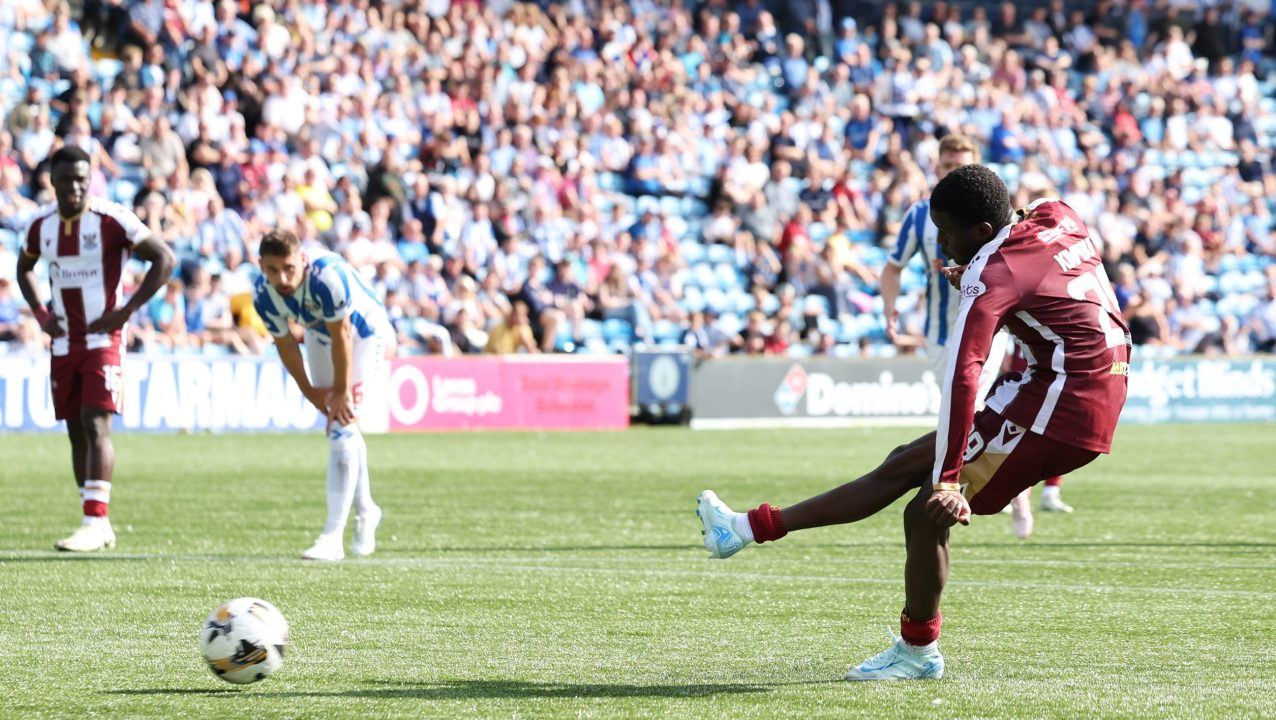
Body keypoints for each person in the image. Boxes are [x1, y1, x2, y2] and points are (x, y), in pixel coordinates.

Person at [696, 165, 1131, 680]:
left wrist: (949, 480)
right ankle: (746, 528)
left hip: (1062, 401)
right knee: (904, 461)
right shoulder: (1057, 214)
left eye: (947, 233)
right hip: (1083, 381)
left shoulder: (994, 272)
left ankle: (917, 651)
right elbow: (1051, 280)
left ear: (983, 233)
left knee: (926, 510)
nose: (942, 245)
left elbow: (963, 376)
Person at [879, 134, 1062, 537]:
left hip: (989, 331)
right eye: (947, 166)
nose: (953, 172)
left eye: (962, 166)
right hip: (940, 336)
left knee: (972, 409)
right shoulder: (917, 216)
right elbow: (893, 267)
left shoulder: (992, 218)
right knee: (968, 416)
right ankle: (1003, 486)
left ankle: (964, 488)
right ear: (937, 167)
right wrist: (889, 307)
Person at [14, 145, 175, 552]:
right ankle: (96, 521)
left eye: (82, 180)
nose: (74, 187)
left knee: (95, 422)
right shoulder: (40, 226)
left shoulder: (111, 218)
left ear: (91, 180)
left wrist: (127, 312)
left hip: (104, 338)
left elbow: (164, 259)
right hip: (64, 341)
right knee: (74, 430)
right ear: (53, 181)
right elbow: (23, 269)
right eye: (66, 179)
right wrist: (40, 313)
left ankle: (94, 521)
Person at [252, 229, 392, 561]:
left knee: (341, 424)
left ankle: (332, 537)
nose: (281, 278)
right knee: (342, 426)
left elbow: (343, 332)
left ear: (301, 259)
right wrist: (311, 393)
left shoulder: (327, 276)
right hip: (319, 333)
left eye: (288, 268)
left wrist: (341, 391)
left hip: (363, 332)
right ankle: (367, 510)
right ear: (261, 267)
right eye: (272, 270)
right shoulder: (262, 294)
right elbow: (286, 345)